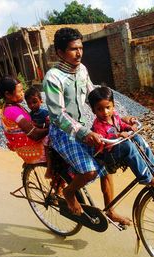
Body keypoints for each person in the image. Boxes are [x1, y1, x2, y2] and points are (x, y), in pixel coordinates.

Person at [43, 27, 131, 225]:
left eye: (81, 48)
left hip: (85, 128)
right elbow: (57, 115)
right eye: (74, 49)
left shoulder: (82, 70)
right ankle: (69, 192)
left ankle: (110, 210)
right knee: (90, 171)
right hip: (63, 133)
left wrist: (119, 117)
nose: (79, 53)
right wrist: (84, 132)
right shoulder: (53, 78)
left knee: (107, 163)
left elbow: (94, 98)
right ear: (60, 52)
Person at [88, 86, 154, 185]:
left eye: (108, 107)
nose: (105, 112)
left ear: (113, 105)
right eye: (100, 109)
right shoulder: (98, 125)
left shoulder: (114, 116)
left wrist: (129, 127)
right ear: (94, 111)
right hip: (109, 154)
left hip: (119, 147)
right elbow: (104, 139)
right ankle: (146, 178)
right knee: (129, 146)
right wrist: (118, 134)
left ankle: (153, 168)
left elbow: (121, 124)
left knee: (138, 138)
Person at [0, 75, 48, 165]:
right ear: (8, 94)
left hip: (28, 146)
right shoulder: (12, 111)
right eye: (20, 91)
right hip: (34, 150)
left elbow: (32, 125)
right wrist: (51, 128)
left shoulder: (12, 107)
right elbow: (35, 135)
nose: (23, 93)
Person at [24, 86, 52, 177]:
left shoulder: (45, 113)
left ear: (41, 101)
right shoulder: (30, 114)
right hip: (38, 134)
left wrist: (38, 126)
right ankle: (29, 160)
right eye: (29, 103)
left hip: (46, 134)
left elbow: (49, 125)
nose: (32, 105)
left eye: (35, 102)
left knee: (46, 144)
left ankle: (49, 167)